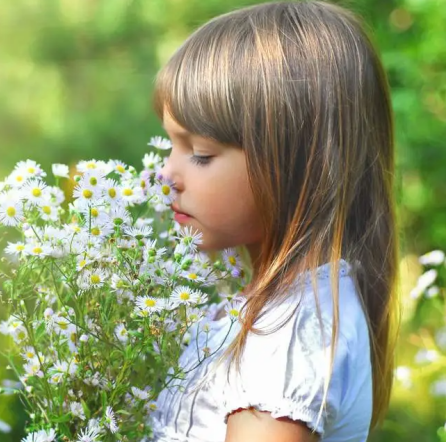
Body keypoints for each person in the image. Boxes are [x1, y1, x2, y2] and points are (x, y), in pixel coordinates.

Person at [149, 1, 399, 441]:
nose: (167, 175)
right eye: (173, 145)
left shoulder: (287, 334)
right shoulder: (284, 312)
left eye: (200, 154)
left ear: (294, 166)